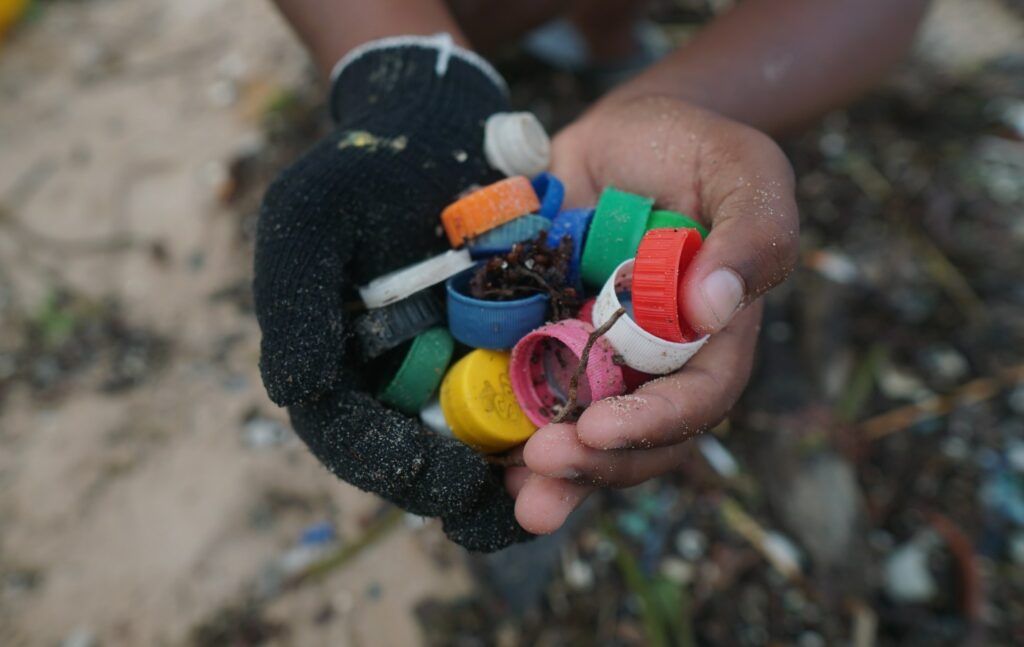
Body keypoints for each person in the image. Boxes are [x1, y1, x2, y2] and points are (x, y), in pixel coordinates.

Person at [253, 0, 931, 551]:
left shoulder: (593, 279)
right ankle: (554, 33)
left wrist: (672, 102)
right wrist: (415, 74)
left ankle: (614, 45)